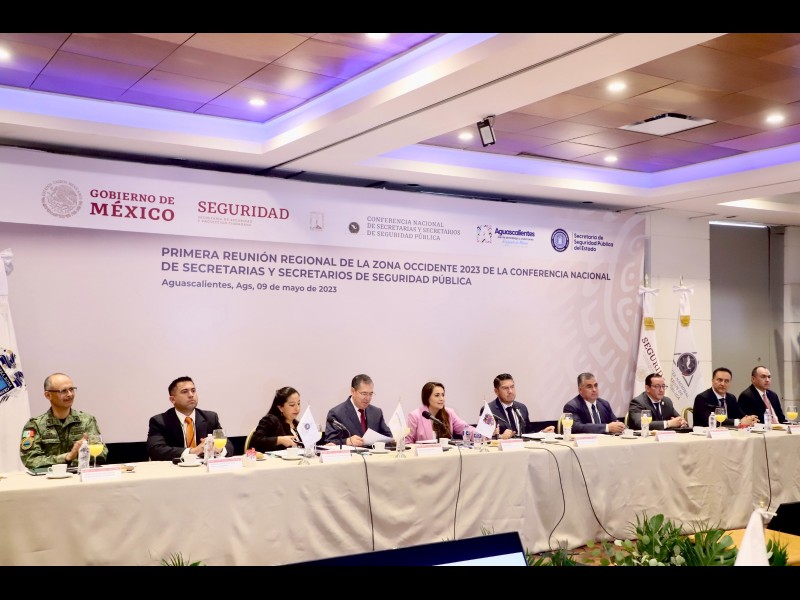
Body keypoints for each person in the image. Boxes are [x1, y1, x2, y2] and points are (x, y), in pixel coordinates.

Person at [20, 372, 108, 469]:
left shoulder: (87, 420)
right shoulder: (35, 425)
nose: (70, 394)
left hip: (80, 475)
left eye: (71, 389)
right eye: (63, 391)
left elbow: (102, 453)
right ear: (48, 395)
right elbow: (30, 459)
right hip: (48, 477)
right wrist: (66, 457)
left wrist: (82, 451)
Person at [146, 376, 234, 461]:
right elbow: (155, 450)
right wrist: (193, 451)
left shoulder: (210, 417)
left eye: (193, 391)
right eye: (185, 392)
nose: (191, 395)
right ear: (173, 400)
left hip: (203, 467)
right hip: (175, 468)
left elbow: (228, 445)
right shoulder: (160, 421)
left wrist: (218, 449)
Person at [323, 373, 392, 447]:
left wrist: (394, 439)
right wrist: (347, 441)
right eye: (364, 393)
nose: (368, 398)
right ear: (353, 391)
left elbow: (388, 437)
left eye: (370, 394)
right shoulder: (336, 413)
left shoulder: (376, 412)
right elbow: (330, 442)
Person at [481, 373, 554, 438]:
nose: (510, 391)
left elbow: (527, 433)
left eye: (512, 387)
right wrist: (500, 437)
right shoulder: (489, 410)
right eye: (505, 388)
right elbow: (483, 438)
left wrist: (543, 433)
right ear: (496, 391)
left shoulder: (522, 408)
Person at [693, 367, 758, 429]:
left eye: (726, 381)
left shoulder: (731, 398)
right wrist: (739, 422)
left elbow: (741, 415)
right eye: (719, 380)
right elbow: (711, 421)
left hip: (729, 433)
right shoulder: (702, 398)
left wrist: (750, 419)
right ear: (712, 381)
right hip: (706, 434)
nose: (723, 384)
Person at [405, 382, 470, 443]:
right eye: (437, 395)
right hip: (424, 451)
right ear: (427, 397)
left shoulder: (449, 413)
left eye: (443, 395)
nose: (442, 399)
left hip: (446, 451)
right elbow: (407, 442)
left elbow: (466, 429)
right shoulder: (414, 416)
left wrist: (476, 435)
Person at [249, 386, 302, 452]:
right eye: (292, 405)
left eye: (298, 403)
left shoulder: (298, 424)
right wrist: (279, 440)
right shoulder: (270, 420)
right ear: (280, 408)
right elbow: (255, 442)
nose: (297, 408)